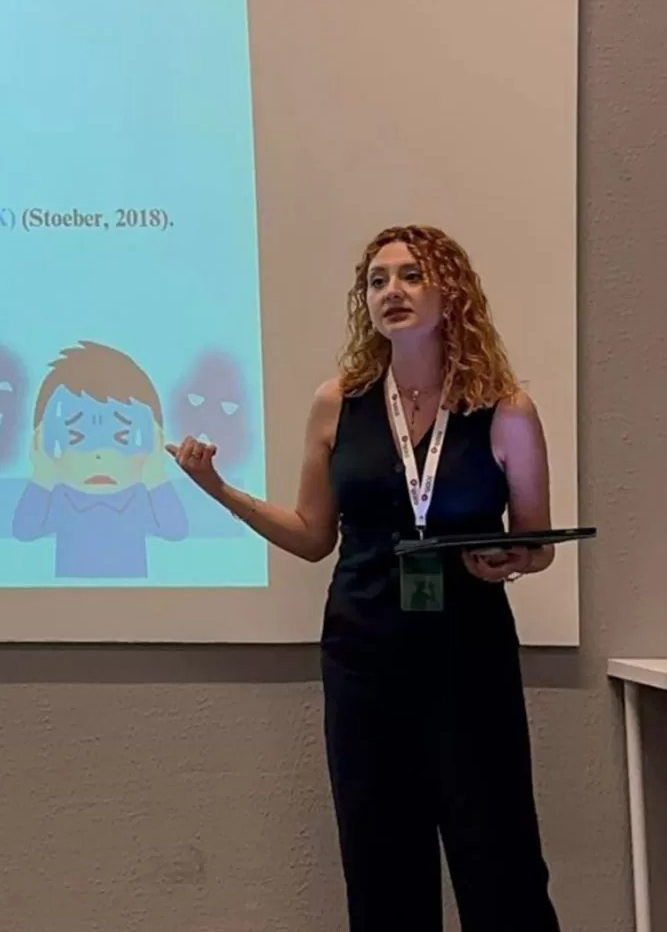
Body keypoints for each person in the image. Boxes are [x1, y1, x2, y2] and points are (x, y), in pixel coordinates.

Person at [167, 224, 560, 931]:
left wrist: (513, 558)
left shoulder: (504, 409)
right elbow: (312, 536)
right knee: (381, 861)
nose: (391, 292)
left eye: (411, 276)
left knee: (498, 858)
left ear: (451, 293)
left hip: (468, 658)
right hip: (364, 656)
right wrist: (219, 490)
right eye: (377, 281)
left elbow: (537, 542)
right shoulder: (338, 403)